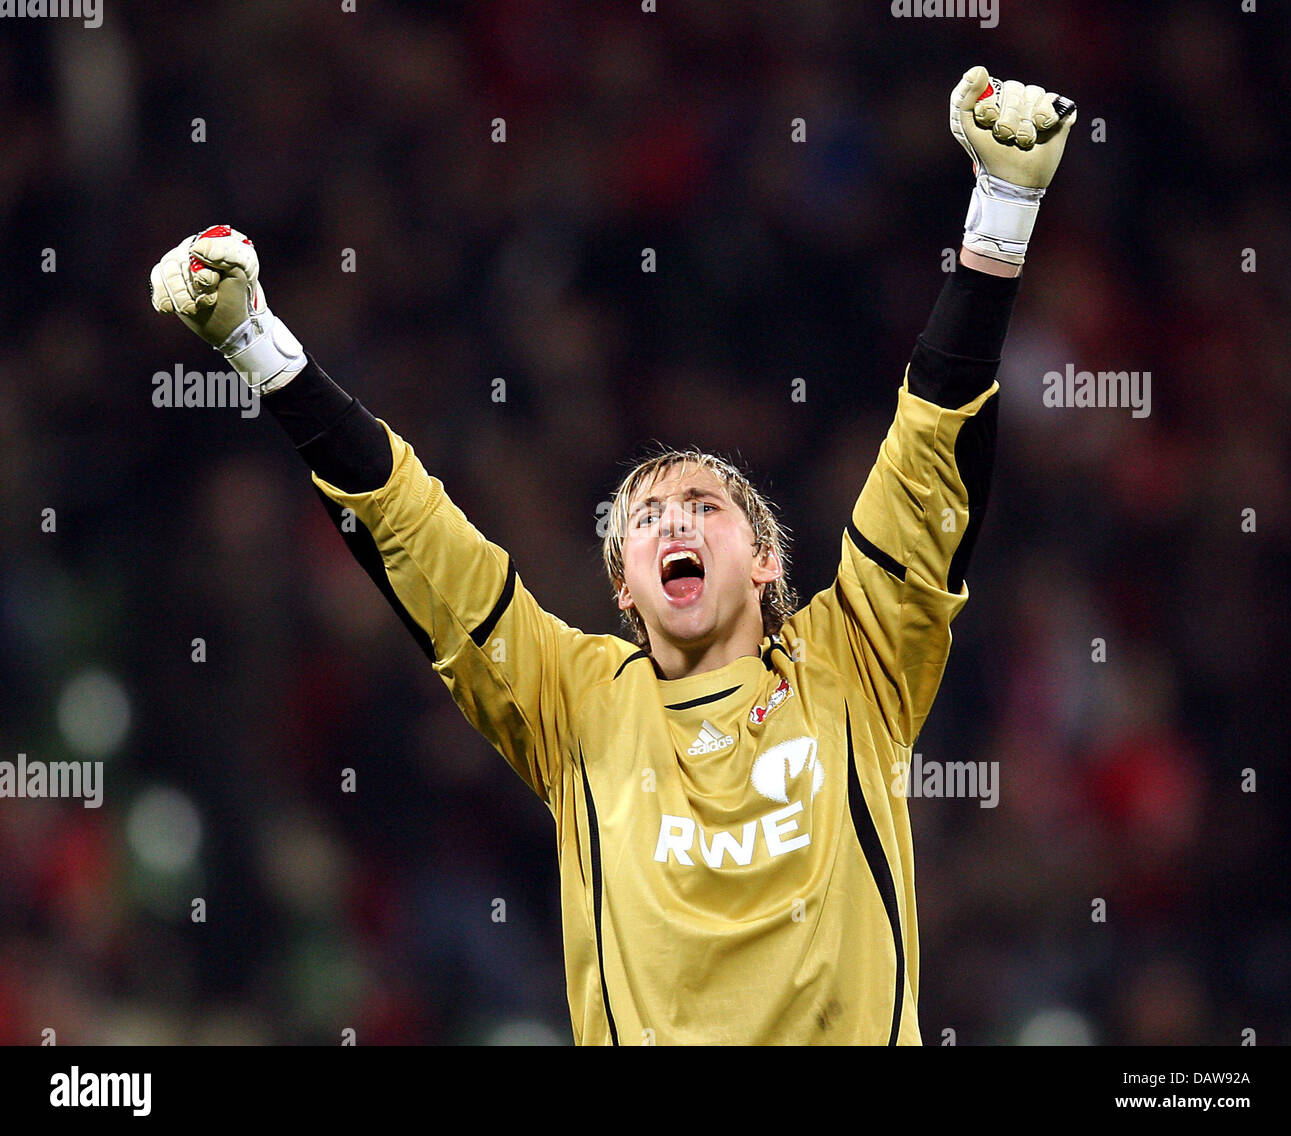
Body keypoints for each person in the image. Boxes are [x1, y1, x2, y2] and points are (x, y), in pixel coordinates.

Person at [149, 65, 1074, 1045]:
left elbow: (929, 458)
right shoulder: (577, 700)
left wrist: (1003, 210)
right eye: (642, 517)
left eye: (702, 505)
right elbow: (412, 529)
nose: (670, 521)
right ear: (623, 588)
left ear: (764, 559)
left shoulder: (856, 661)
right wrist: (257, 345)